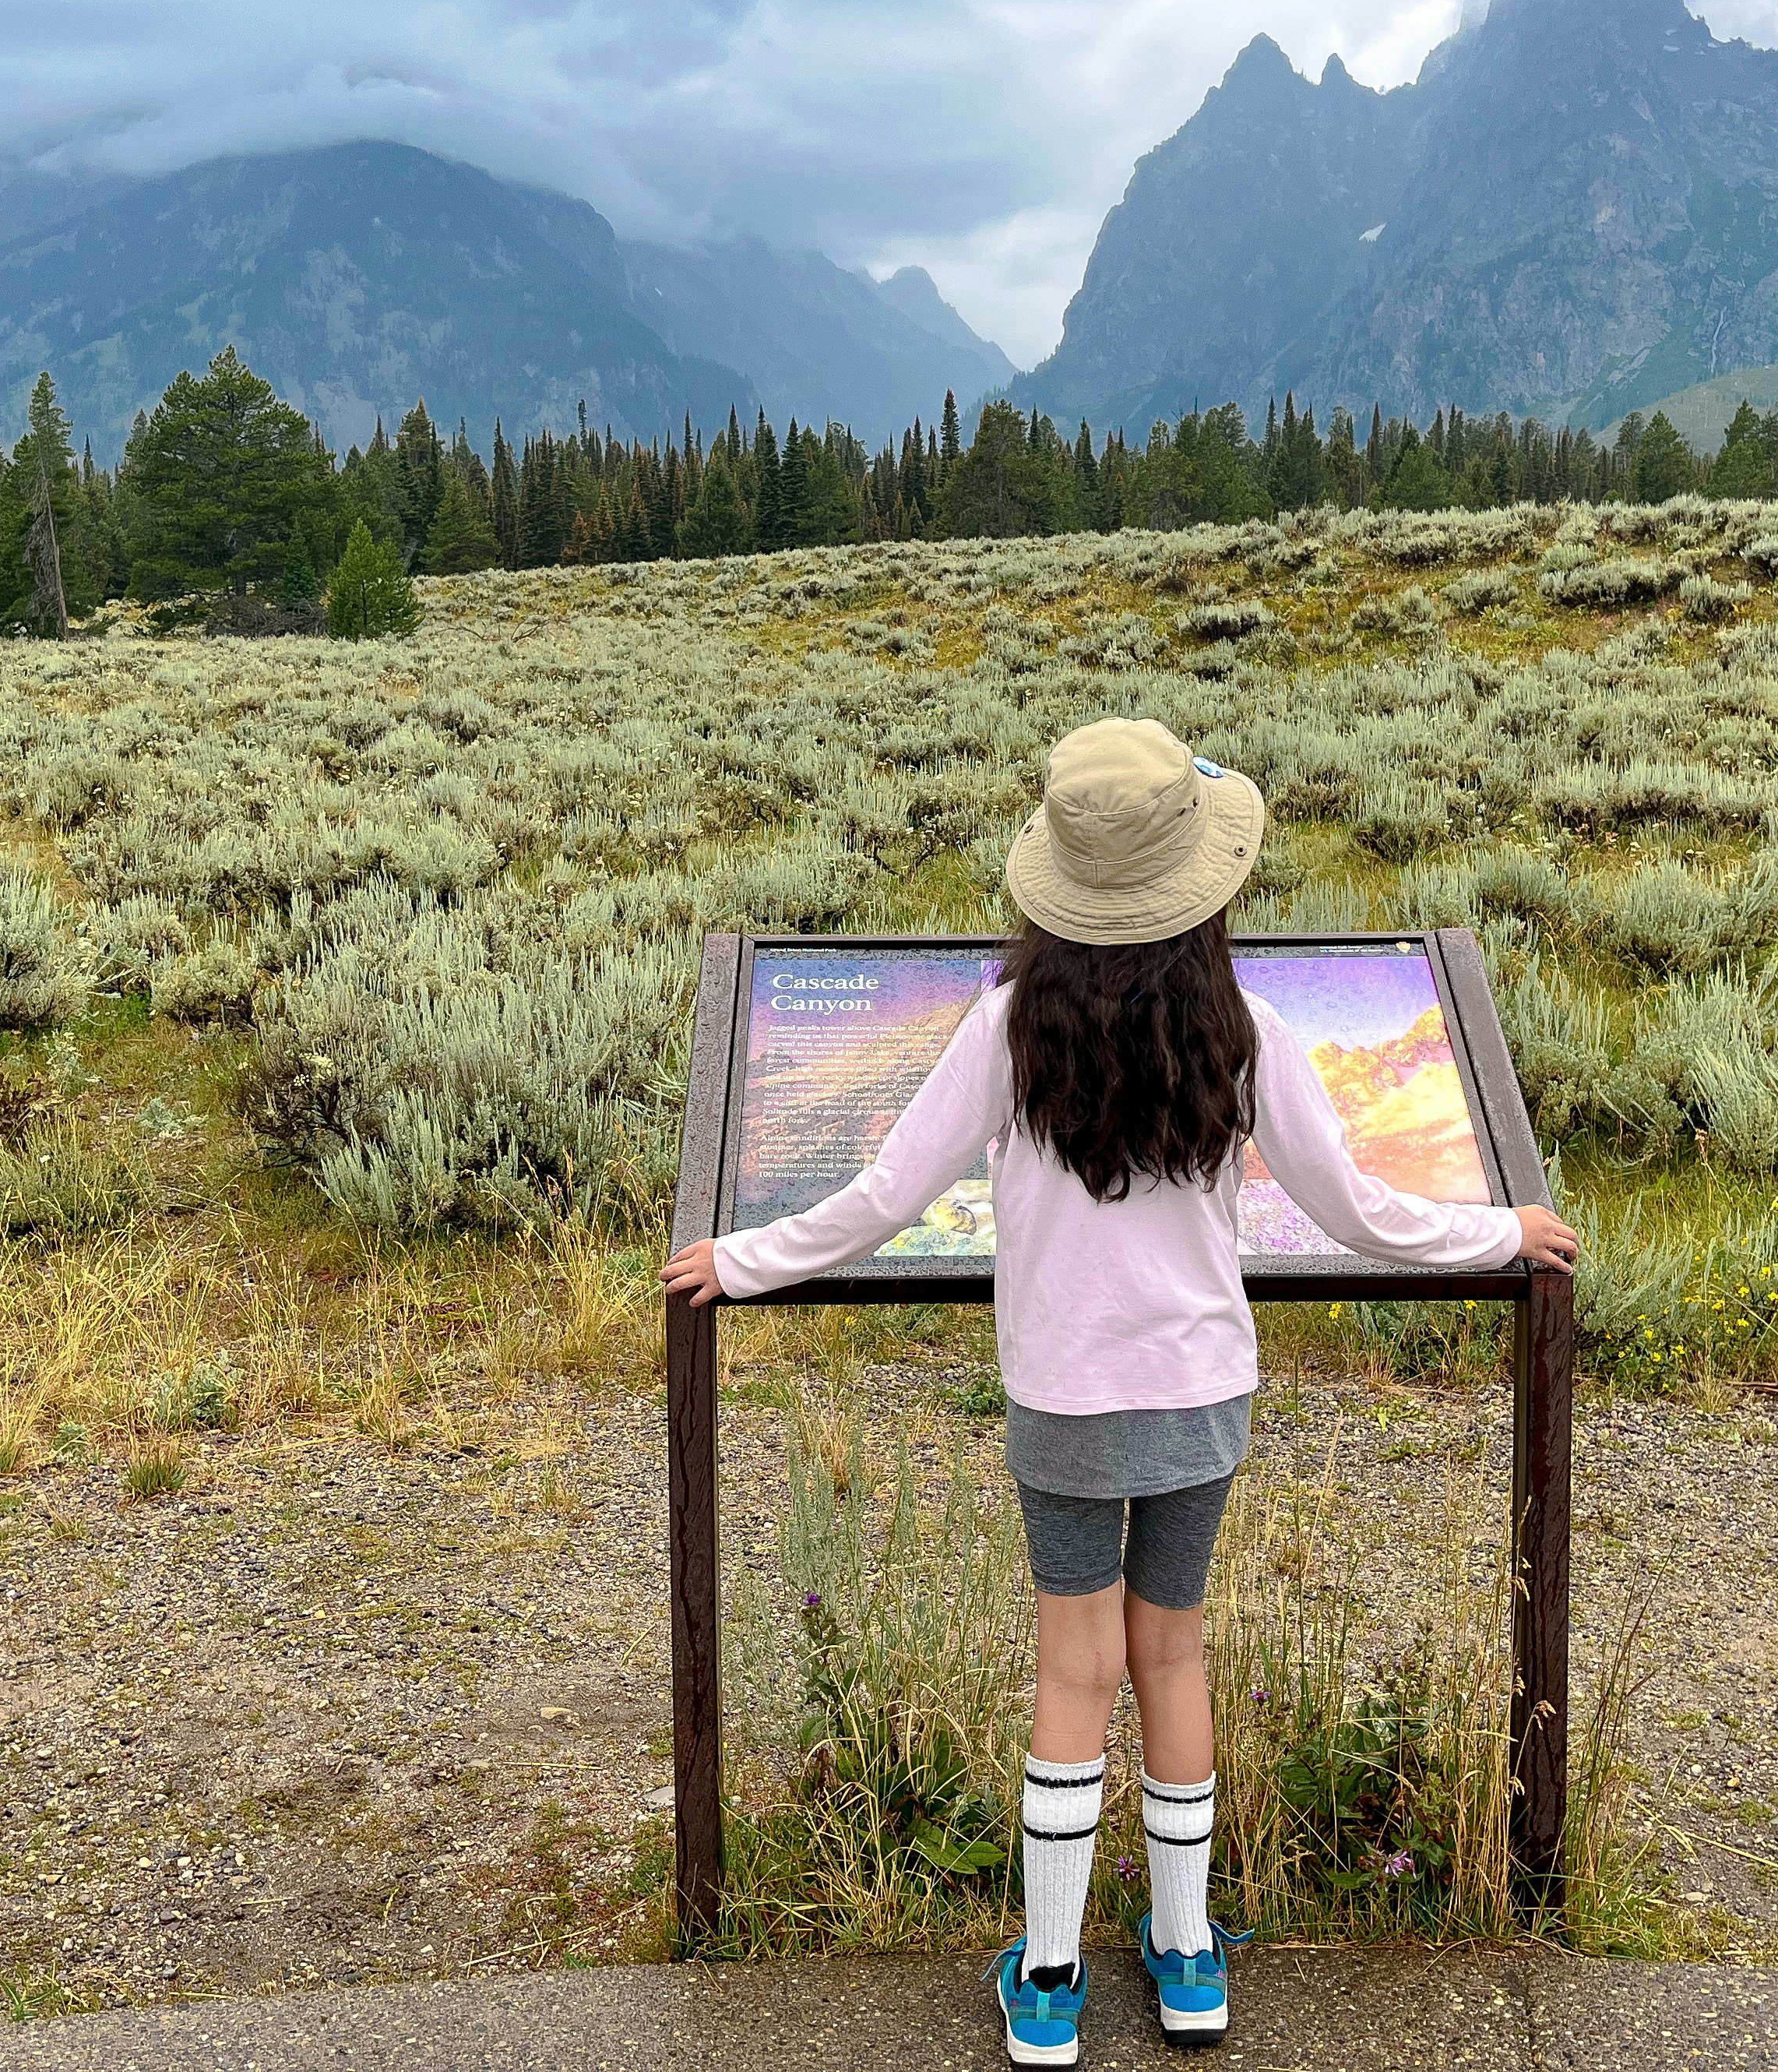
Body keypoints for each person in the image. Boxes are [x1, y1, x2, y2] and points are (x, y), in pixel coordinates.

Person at [663, 717, 1577, 2065]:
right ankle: (1190, 1959)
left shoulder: (1005, 1030)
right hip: (1202, 1391)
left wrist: (737, 1259)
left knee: (1074, 1667)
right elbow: (1357, 1207)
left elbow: (883, 1195)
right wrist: (1503, 1233)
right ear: (1198, 889)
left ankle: (1046, 1980)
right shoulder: (1243, 1029)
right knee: (1174, 1655)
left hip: (1063, 1400)